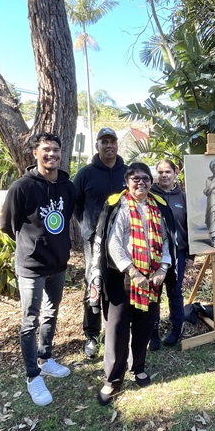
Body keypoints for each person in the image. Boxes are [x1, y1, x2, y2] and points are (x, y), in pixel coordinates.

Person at [89, 163, 176, 406]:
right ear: (127, 182)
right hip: (123, 279)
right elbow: (114, 244)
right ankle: (112, 380)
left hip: (151, 280)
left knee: (144, 326)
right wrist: (132, 271)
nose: (141, 183)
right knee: (116, 330)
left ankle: (138, 367)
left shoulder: (158, 207)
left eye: (145, 179)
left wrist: (162, 268)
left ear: (151, 182)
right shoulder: (118, 205)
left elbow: (167, 242)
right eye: (135, 179)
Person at [0, 132, 76, 406]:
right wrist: (32, 246)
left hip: (58, 262)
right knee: (30, 320)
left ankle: (45, 358)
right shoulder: (22, 187)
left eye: (56, 149)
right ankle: (33, 375)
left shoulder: (68, 186)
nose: (52, 154)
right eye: (46, 149)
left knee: (52, 312)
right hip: (31, 265)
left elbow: (68, 217)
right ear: (35, 153)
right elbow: (8, 225)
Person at [73, 127, 127, 358]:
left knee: (123, 283)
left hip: (125, 240)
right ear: (97, 146)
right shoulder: (85, 174)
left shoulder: (127, 172)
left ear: (117, 145)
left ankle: (122, 327)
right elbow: (76, 205)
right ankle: (92, 335)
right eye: (104, 141)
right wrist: (88, 226)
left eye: (112, 141)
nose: (109, 146)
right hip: (93, 240)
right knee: (94, 284)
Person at [149, 159, 194, 349]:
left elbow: (191, 226)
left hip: (179, 253)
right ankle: (153, 333)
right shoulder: (150, 195)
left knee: (175, 292)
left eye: (168, 172)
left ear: (175, 174)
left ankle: (176, 328)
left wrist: (191, 256)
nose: (164, 175)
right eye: (160, 172)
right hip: (154, 254)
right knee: (154, 294)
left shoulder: (183, 197)